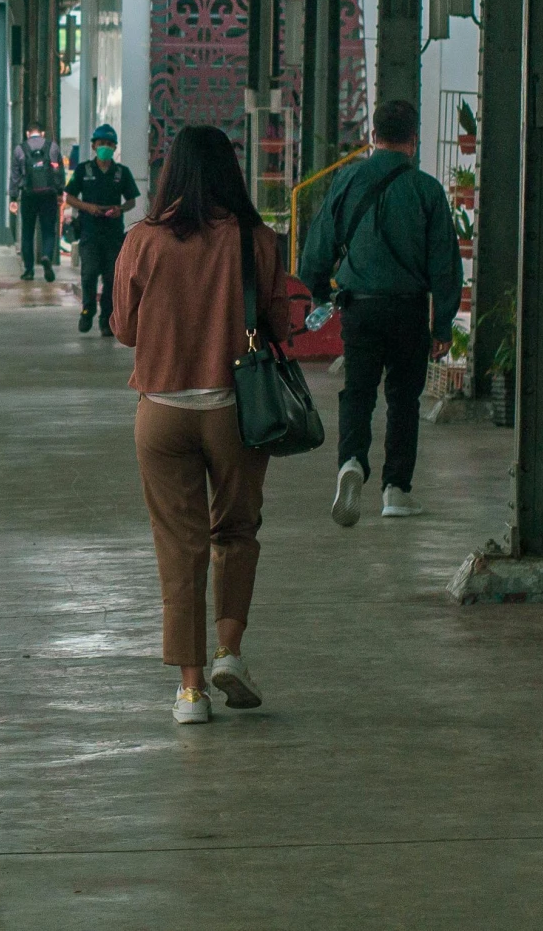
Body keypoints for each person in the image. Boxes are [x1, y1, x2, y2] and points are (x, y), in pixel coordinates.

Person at [111, 124, 300, 725]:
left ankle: (190, 693)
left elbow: (122, 329)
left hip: (162, 415)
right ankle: (230, 653)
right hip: (235, 413)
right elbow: (277, 323)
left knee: (179, 545)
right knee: (236, 531)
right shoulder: (257, 240)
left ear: (171, 173)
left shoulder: (142, 241)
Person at [297, 99, 461, 526]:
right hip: (408, 310)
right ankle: (396, 490)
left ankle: (351, 461)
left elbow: (317, 247)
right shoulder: (427, 189)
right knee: (404, 400)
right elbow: (444, 263)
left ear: (373, 136)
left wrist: (317, 294)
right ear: (414, 139)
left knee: (359, 391)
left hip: (360, 308)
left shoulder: (347, 181)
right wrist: (442, 322)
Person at [65, 123, 140, 335]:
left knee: (111, 278)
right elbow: (69, 196)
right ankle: (87, 310)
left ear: (114, 147)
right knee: (89, 274)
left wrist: (120, 209)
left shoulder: (121, 173)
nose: (105, 147)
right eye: (101, 143)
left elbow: (132, 200)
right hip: (89, 232)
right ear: (94, 146)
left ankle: (106, 319)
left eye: (109, 144)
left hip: (113, 234)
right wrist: (87, 207)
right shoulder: (83, 170)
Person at [8, 126, 66, 282]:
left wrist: (13, 198)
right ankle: (46, 255)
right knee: (48, 231)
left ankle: (28, 270)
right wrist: (60, 192)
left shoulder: (20, 149)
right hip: (49, 195)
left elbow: (15, 176)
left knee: (27, 232)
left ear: (27, 133)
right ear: (42, 133)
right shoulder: (52, 147)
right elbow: (59, 172)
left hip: (28, 195)